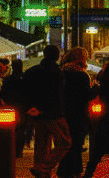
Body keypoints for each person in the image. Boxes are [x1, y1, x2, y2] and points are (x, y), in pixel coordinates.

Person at [24, 44, 71, 178]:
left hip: (36, 114)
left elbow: (26, 91)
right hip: (54, 114)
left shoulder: (31, 71)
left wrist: (31, 107)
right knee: (64, 142)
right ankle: (43, 167)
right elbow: (58, 94)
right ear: (56, 56)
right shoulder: (57, 72)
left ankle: (41, 171)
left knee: (41, 145)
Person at [58, 48, 93, 178]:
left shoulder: (62, 72)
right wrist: (96, 89)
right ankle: (72, 170)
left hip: (64, 113)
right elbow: (85, 95)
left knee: (67, 143)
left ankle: (66, 170)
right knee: (77, 144)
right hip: (78, 114)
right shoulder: (81, 75)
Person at [1, 58, 29, 158]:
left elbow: (4, 93)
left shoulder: (8, 79)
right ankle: (19, 151)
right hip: (22, 107)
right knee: (21, 130)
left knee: (10, 130)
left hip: (9, 107)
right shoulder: (25, 78)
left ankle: (11, 150)